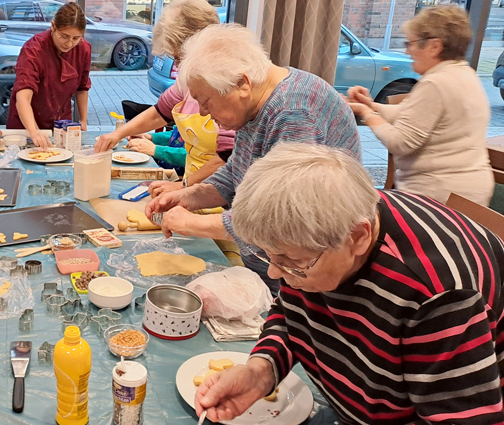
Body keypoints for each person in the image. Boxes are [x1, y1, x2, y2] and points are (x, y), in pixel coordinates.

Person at [197, 143, 504, 425]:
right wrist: (262, 369)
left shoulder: (436, 291)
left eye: (290, 261)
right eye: (268, 256)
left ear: (357, 238)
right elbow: (294, 306)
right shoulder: (323, 223)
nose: (277, 274)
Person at [144, 24, 361, 295]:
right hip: (273, 265)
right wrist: (190, 195)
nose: (202, 112)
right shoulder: (255, 102)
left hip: (302, 275)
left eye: (206, 101)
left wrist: (193, 224)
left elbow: (280, 219)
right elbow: (237, 170)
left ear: (242, 84)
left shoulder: (293, 113)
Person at [346, 5, 493, 206]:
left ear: (434, 46)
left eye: (411, 43)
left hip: (439, 195)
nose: (408, 51)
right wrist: (372, 105)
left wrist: (366, 113)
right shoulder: (464, 74)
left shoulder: (436, 83)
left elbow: (400, 143)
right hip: (468, 190)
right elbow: (414, 115)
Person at [94, 0, 234, 194]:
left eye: (178, 57)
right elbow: (159, 113)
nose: (176, 66)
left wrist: (182, 186)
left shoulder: (228, 83)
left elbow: (227, 156)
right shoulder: (189, 79)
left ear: (200, 45)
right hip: (193, 187)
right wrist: (118, 134)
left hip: (215, 193)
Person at [6, 2, 92, 148]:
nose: (69, 43)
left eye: (76, 38)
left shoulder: (83, 49)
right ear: (53, 26)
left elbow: (82, 87)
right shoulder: (33, 49)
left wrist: (83, 120)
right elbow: (23, 97)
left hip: (61, 124)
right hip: (26, 125)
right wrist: (33, 131)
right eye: (64, 36)